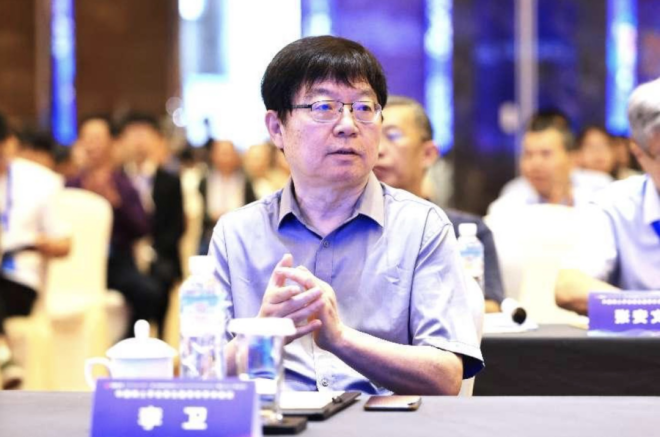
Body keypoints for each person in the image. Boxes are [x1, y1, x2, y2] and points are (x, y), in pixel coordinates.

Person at [209, 36, 483, 395]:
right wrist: (262, 335)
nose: (348, 125)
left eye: (364, 107)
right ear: (276, 128)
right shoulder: (237, 234)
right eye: (324, 106)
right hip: (273, 420)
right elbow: (202, 373)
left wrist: (340, 338)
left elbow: (445, 378)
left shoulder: (421, 227)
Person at [374, 95, 504, 312]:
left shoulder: (465, 232)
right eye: (374, 136)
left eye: (393, 135)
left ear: (428, 154)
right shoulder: (352, 227)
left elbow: (491, 306)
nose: (379, 150)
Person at [555, 78, 660, 315]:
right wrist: (649, 310)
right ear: (638, 153)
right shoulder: (614, 205)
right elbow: (569, 287)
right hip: (645, 338)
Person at [67, 115, 162, 337]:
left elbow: (143, 228)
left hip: (116, 261)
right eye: (87, 138)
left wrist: (117, 203)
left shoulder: (123, 183)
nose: (92, 145)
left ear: (111, 143)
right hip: (77, 261)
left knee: (149, 292)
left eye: (97, 139)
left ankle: (125, 342)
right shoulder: (71, 184)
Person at [0, 112, 71, 389]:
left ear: (9, 143)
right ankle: (3, 355)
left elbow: (65, 243)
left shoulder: (40, 181)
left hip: (19, 278)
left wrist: (41, 244)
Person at [119, 113, 185, 336]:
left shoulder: (170, 180)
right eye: (133, 135)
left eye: (144, 135)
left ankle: (159, 338)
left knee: (161, 279)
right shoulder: (117, 179)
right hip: (126, 256)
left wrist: (151, 251)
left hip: (160, 254)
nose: (139, 142)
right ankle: (132, 338)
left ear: (157, 139)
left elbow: (176, 227)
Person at [488, 113, 612, 215]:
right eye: (528, 154)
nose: (535, 164)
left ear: (572, 158)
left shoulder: (600, 189)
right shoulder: (511, 199)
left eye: (546, 154)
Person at [198, 140, 256, 254]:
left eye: (228, 154)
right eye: (221, 153)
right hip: (209, 234)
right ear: (213, 155)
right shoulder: (204, 181)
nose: (225, 159)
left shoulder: (245, 182)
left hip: (239, 235)